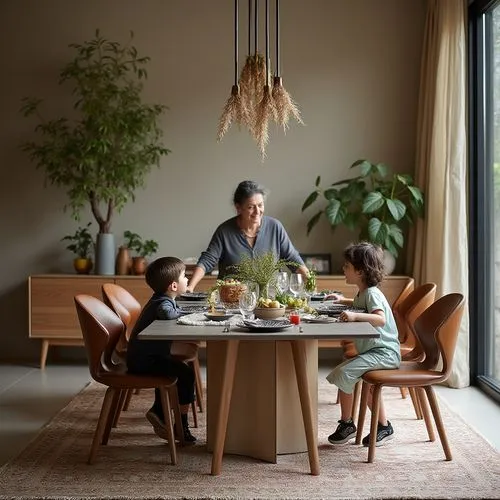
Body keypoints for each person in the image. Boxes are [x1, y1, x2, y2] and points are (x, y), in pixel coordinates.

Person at [326, 242, 401, 446]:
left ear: (359, 271)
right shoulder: (364, 293)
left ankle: (348, 424)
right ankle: (380, 426)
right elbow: (360, 305)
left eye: (347, 266)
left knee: (344, 374)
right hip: (375, 352)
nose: (343, 269)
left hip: (384, 353)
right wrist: (343, 301)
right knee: (344, 373)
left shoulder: (372, 294)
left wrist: (354, 316)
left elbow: (380, 319)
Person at [187, 180, 309, 291]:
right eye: (251, 207)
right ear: (238, 208)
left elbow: (292, 259)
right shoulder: (224, 231)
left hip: (270, 301)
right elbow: (207, 260)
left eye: (260, 205)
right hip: (233, 301)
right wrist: (190, 287)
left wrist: (310, 283)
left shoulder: (275, 227)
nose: (257, 212)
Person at [127, 256, 197, 443]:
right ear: (173, 286)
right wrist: (185, 313)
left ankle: (159, 411)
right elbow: (166, 313)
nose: (188, 279)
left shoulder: (161, 298)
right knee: (186, 374)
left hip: (143, 357)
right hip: (145, 362)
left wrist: (183, 310)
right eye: (184, 276)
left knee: (176, 369)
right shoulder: (162, 302)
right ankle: (181, 425)